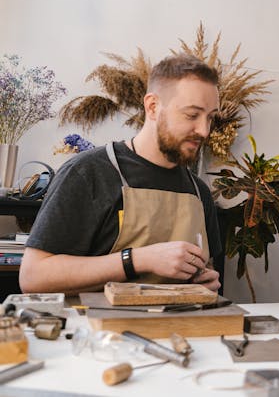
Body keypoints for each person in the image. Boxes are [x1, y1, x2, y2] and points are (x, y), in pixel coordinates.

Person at [20, 54, 223, 294]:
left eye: (210, 118)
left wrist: (204, 282)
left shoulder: (198, 193)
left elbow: (208, 271)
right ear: (153, 106)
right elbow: (33, 277)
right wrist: (137, 259)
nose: (204, 130)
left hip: (177, 329)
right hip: (98, 329)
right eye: (192, 115)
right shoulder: (89, 173)